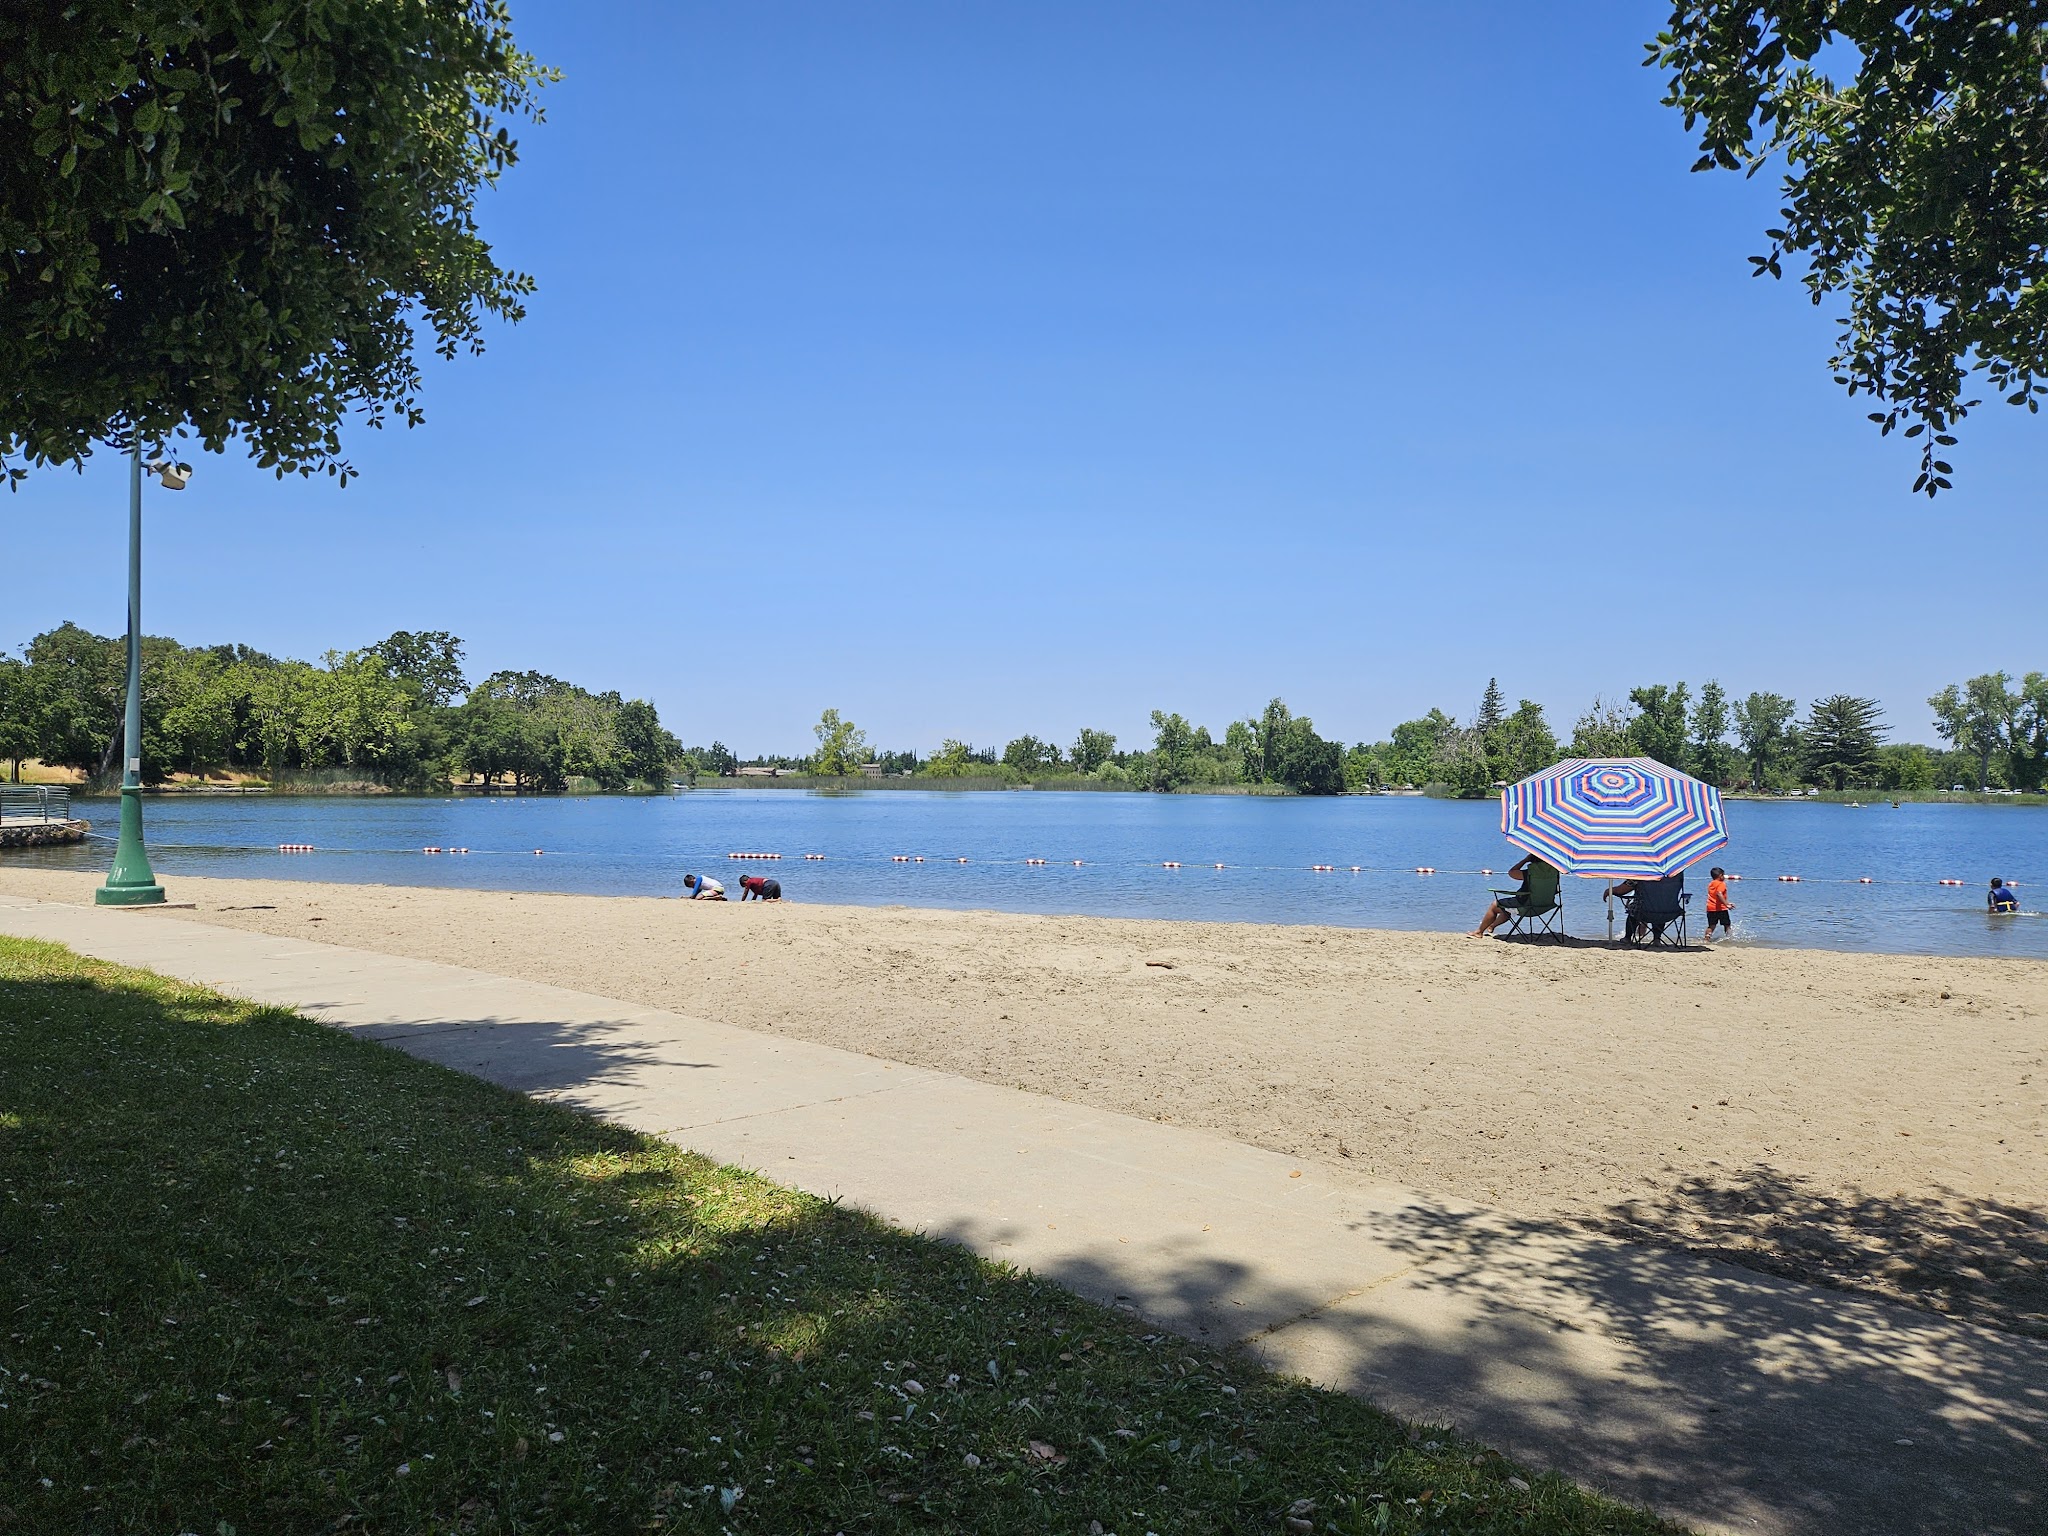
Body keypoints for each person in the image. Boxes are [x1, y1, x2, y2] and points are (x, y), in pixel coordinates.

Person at [1471, 854, 1557, 937]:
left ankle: (1479, 932)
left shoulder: (1530, 872)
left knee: (1495, 905)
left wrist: (1525, 860)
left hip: (1527, 906)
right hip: (1546, 905)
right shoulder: (1554, 872)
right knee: (1507, 907)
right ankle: (1492, 926)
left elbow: (1512, 873)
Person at [1704, 866, 1733, 940]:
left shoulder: (1711, 884)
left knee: (1711, 925)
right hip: (1721, 908)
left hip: (1710, 908)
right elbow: (1719, 894)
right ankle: (1729, 939)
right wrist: (1727, 905)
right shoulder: (1721, 884)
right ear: (1720, 876)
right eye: (1723, 875)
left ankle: (1706, 939)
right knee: (1727, 925)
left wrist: (1727, 902)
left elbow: (1715, 896)